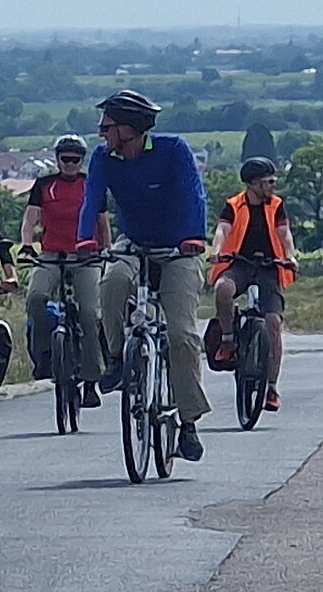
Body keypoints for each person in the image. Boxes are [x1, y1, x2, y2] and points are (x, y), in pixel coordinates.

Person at [76, 89, 210, 461]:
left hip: (178, 247)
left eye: (107, 126)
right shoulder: (104, 158)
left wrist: (193, 237)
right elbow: (93, 200)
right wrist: (85, 239)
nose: (101, 133)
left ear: (128, 129)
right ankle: (118, 356)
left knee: (182, 334)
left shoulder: (173, 150)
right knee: (113, 280)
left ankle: (188, 423)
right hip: (133, 241)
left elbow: (193, 195)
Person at [19, 134, 110, 408]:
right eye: (64, 158)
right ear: (57, 159)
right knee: (35, 298)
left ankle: (92, 381)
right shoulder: (45, 185)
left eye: (75, 159)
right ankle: (46, 354)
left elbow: (102, 223)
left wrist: (105, 250)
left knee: (89, 314)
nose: (70, 163)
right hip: (51, 254)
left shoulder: (91, 185)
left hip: (85, 256)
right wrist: (26, 245)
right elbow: (30, 219)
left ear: (82, 160)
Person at [208, 156, 298, 411]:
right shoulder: (234, 205)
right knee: (223, 289)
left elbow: (285, 234)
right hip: (240, 263)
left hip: (270, 266)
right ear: (254, 184)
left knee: (272, 323)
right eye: (269, 182)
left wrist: (289, 256)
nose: (273, 186)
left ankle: (271, 388)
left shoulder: (276, 205)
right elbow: (222, 230)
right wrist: (216, 251)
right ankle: (227, 339)